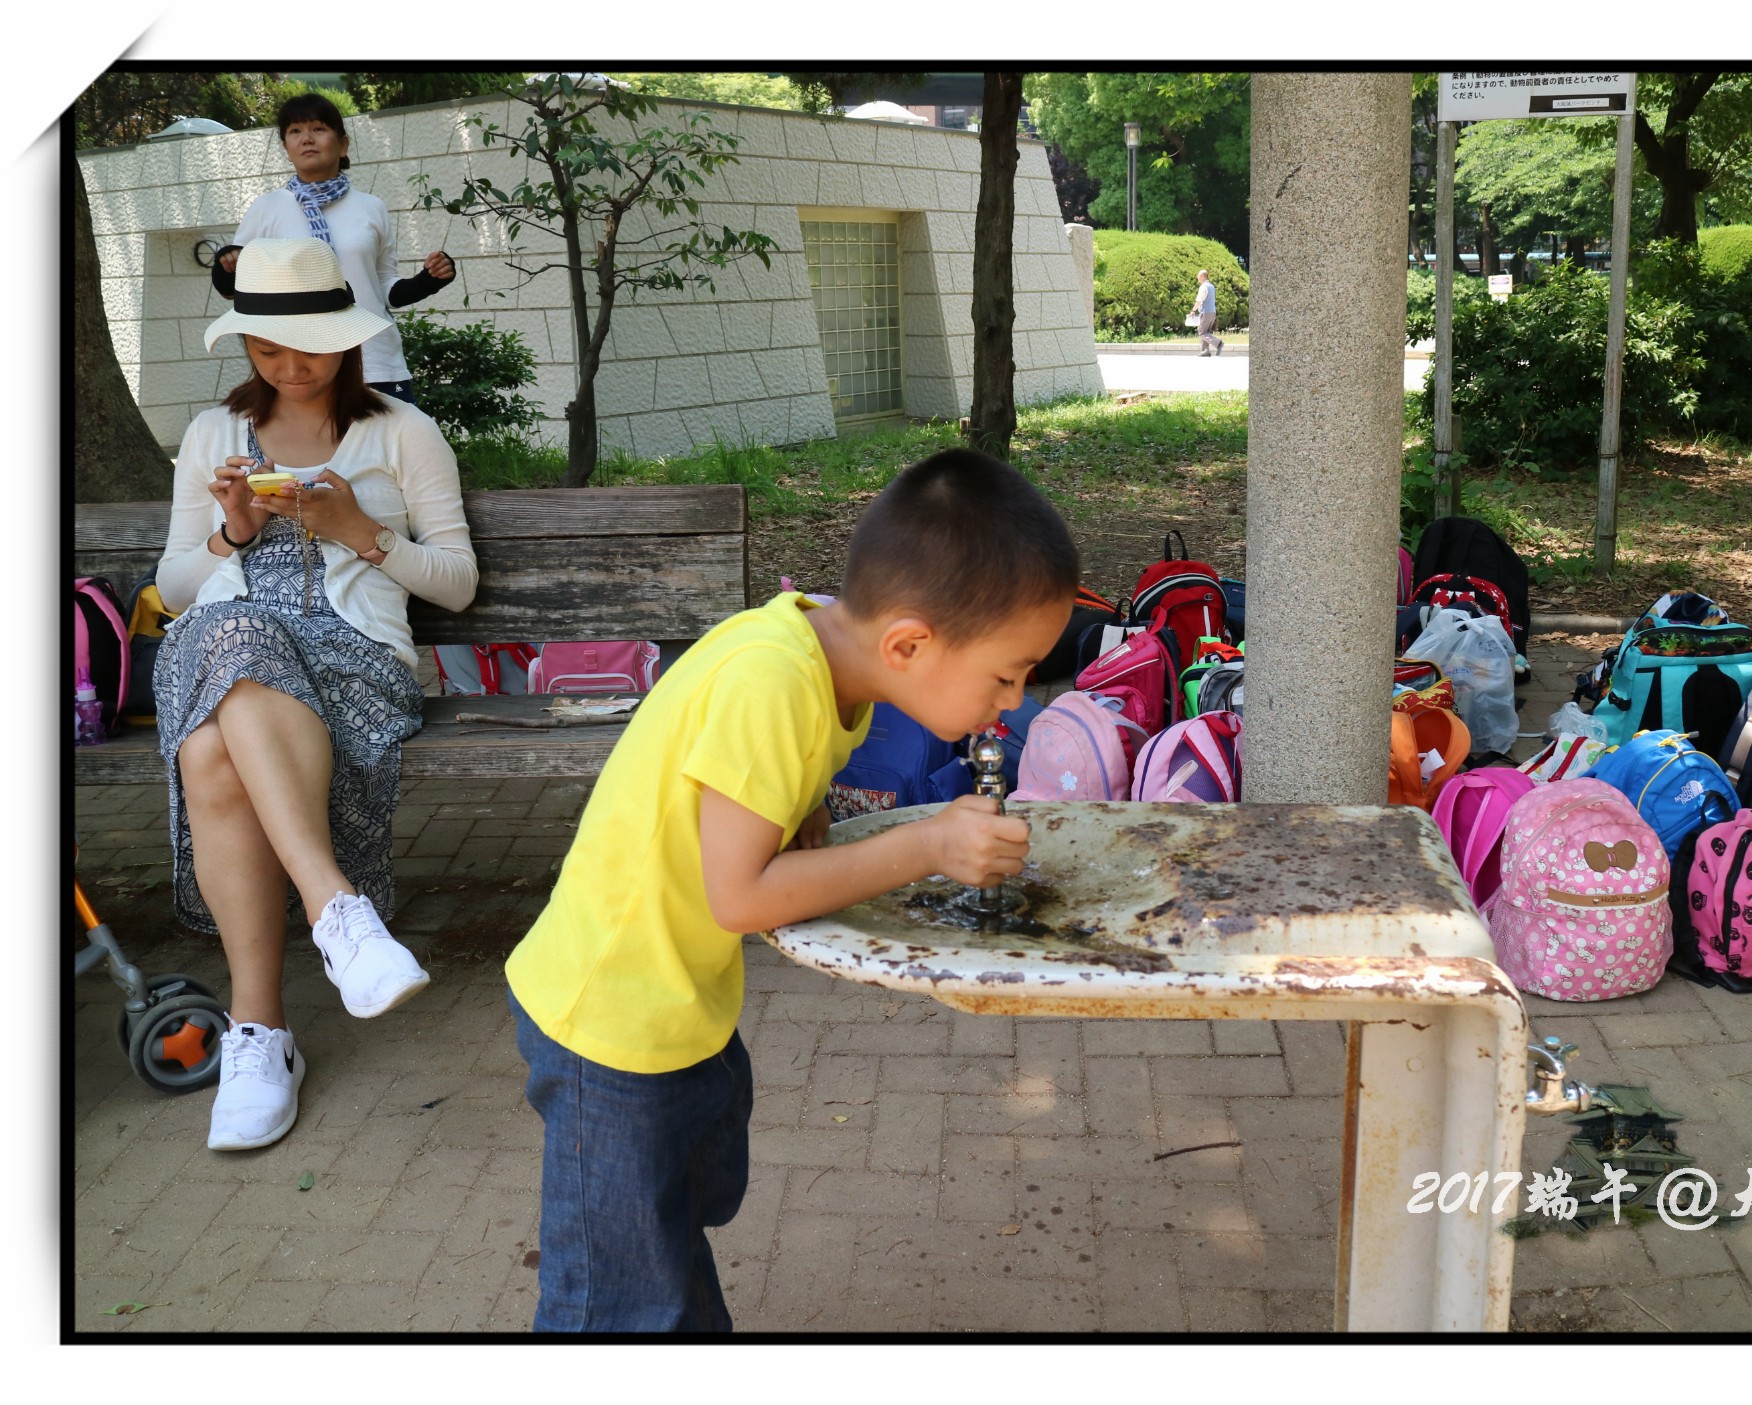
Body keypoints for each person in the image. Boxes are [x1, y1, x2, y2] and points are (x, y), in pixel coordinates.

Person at [502, 448, 1080, 1331]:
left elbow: (739, 789)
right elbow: (738, 897)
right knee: (615, 1303)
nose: (1010, 702)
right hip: (610, 1022)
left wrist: (798, 804)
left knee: (670, 1235)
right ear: (910, 643)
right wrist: (927, 842)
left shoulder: (818, 651)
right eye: (1005, 673)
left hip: (673, 1003)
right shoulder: (773, 681)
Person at [155, 237, 478, 1152]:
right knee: (232, 631)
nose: (289, 366)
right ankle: (339, 915)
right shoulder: (213, 434)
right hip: (223, 646)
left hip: (355, 664)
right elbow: (177, 587)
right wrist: (233, 532)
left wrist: (359, 531)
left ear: (349, 339)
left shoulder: (403, 433)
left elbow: (455, 580)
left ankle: (257, 1031)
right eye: (265, 349)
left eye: (309, 346)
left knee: (212, 747)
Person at [210, 92, 455, 404]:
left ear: (343, 144)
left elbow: (382, 287)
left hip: (375, 360)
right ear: (286, 149)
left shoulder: (372, 207)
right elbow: (237, 290)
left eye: (318, 129)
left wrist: (428, 281)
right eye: (295, 132)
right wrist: (225, 263)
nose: (307, 139)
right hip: (301, 364)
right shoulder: (267, 208)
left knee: (390, 452)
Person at [1191, 268, 1223, 357]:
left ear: (1202, 276)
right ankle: (1205, 351)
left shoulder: (1204, 287)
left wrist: (1193, 310)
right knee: (1206, 332)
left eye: (1198, 276)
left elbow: (1199, 300)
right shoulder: (1211, 286)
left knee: (1201, 332)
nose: (1197, 278)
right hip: (1212, 312)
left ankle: (1218, 343)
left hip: (1206, 312)